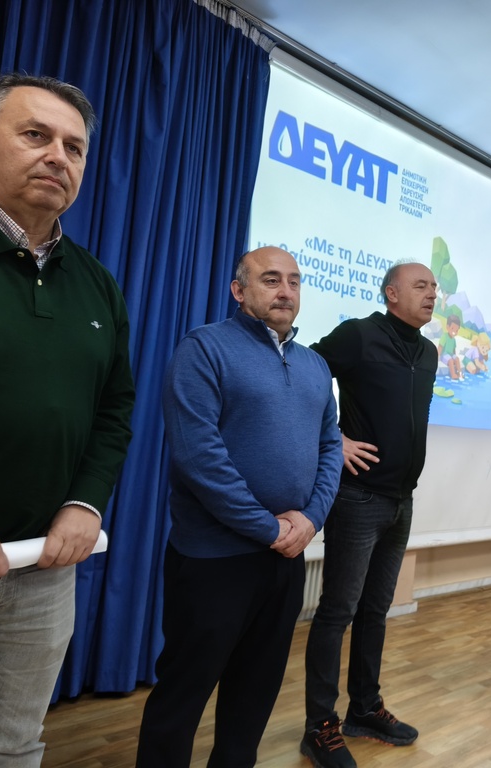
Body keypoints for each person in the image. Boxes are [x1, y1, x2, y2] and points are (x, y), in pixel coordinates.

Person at [0, 73, 135, 765]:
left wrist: (85, 503)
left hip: (41, 569)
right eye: (36, 135)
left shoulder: (96, 284)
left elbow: (114, 408)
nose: (57, 156)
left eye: (74, 147)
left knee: (13, 748)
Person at [135, 246, 343, 767]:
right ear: (239, 290)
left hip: (285, 559)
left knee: (253, 697)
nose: (285, 291)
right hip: (214, 560)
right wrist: (267, 527)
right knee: (182, 697)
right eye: (270, 280)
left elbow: (330, 448)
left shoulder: (316, 365)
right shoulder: (204, 348)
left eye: (294, 281)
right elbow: (198, 456)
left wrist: (310, 519)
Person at [301, 261, 438, 768]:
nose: (431, 294)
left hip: (402, 501)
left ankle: (363, 709)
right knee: (337, 612)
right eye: (420, 286)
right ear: (391, 293)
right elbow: (303, 374)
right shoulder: (359, 335)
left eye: (434, 287)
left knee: (375, 611)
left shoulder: (429, 352)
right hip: (357, 498)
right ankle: (320, 727)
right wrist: (333, 440)